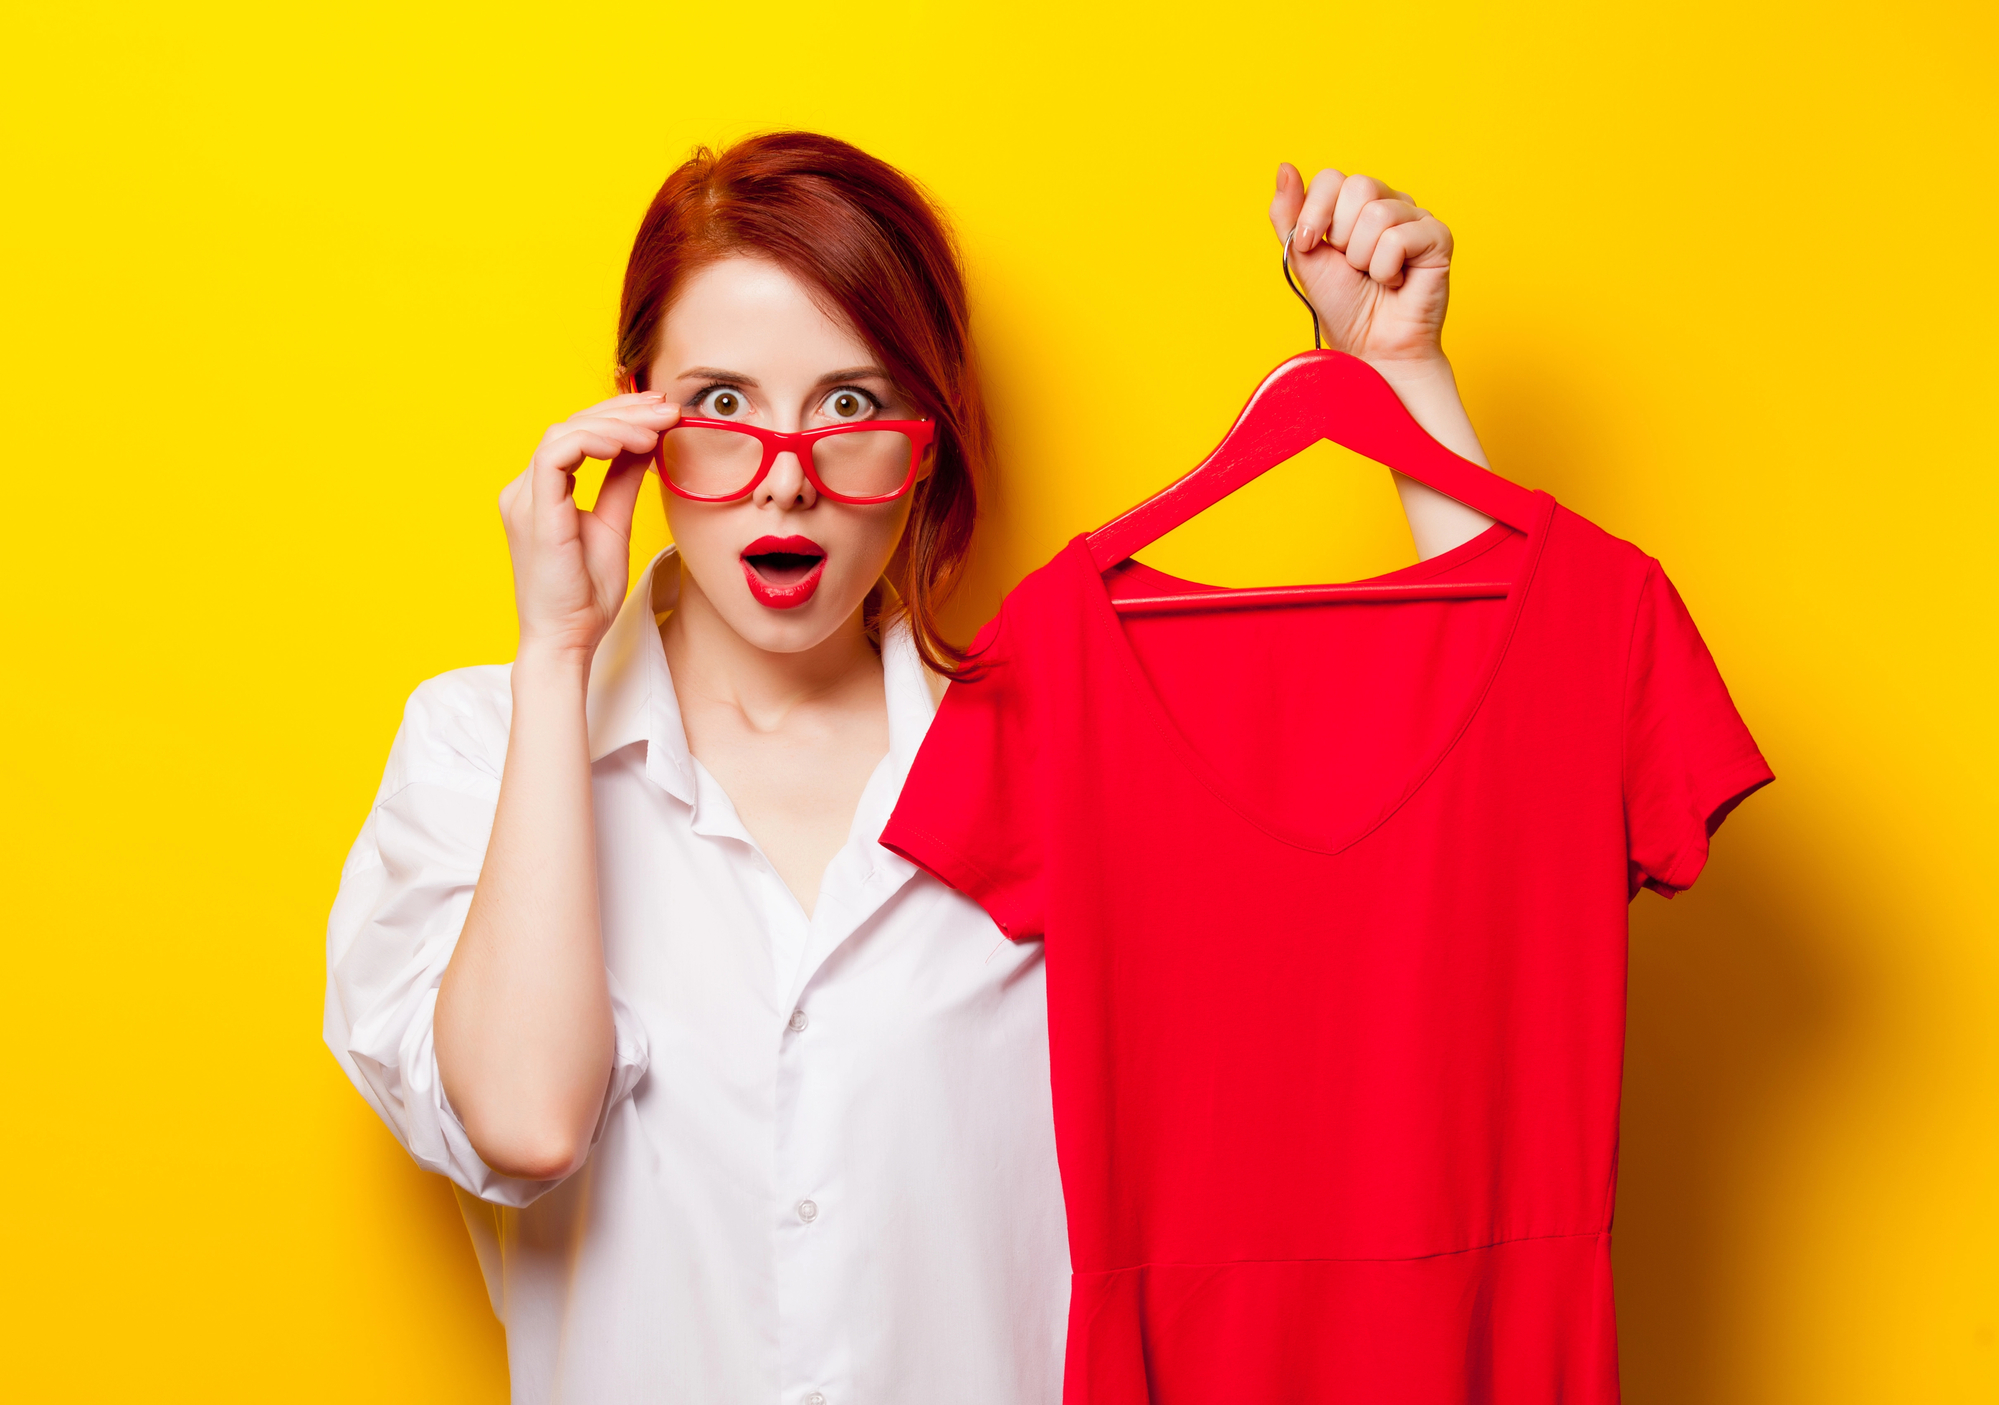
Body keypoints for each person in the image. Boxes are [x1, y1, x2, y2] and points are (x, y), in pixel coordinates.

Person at [324, 130, 1495, 1403]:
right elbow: (525, 1122)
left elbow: (1475, 839)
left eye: (848, 403)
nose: (790, 485)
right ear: (637, 423)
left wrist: (1399, 386)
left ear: (923, 439)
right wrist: (558, 654)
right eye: (722, 404)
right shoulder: (486, 749)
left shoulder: (1076, 757)